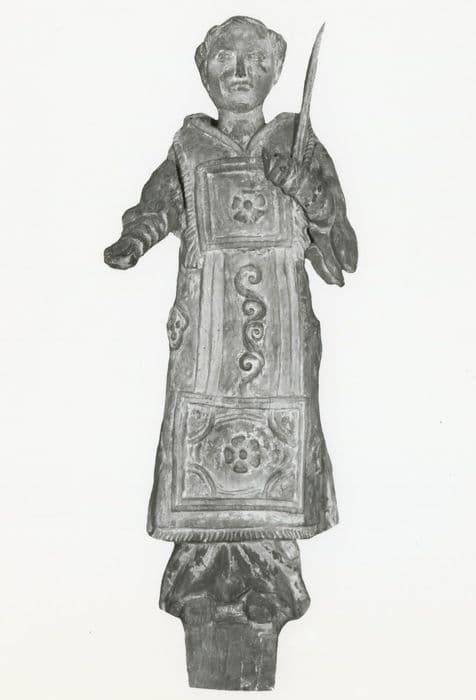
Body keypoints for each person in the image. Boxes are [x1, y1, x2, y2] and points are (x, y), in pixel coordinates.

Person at [105, 15, 357, 637]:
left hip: (281, 339)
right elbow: (159, 205)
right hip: (207, 337)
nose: (240, 71)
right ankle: (198, 586)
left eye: (254, 59)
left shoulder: (298, 143)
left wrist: (307, 191)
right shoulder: (190, 148)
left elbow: (341, 253)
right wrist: (137, 237)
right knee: (201, 448)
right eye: (225, 57)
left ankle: (271, 588)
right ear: (203, 68)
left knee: (276, 452)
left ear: (276, 68)